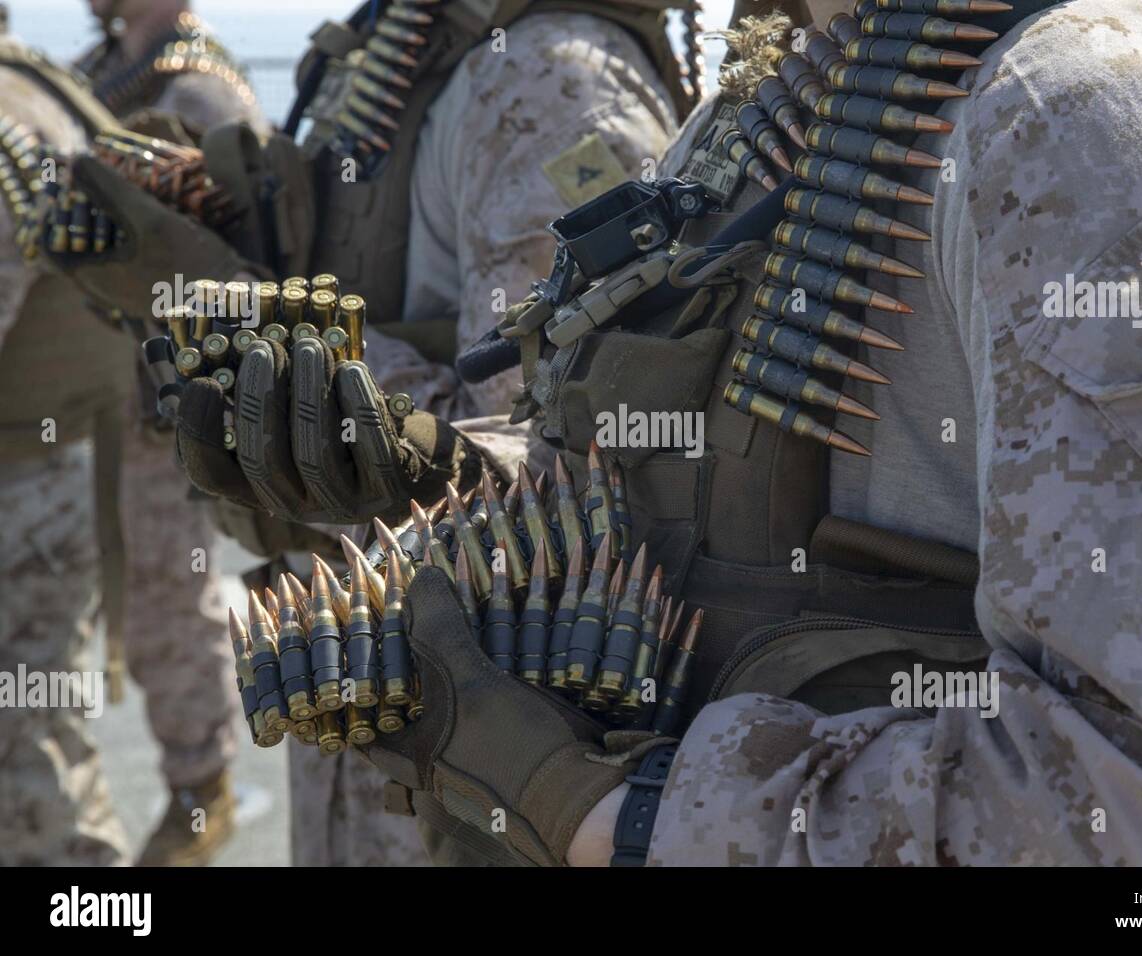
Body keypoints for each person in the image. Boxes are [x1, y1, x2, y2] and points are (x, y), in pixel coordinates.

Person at [336, 0, 1142, 866]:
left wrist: (622, 825)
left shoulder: (1082, 118)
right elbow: (666, 499)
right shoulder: (764, 103)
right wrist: (427, 463)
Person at [62, 0, 690, 865]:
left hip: (473, 750)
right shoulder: (387, 53)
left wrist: (225, 296)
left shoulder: (548, 80)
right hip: (360, 701)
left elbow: (555, 475)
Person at [74, 0, 267, 866]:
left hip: (165, 405)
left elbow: (257, 271)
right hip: (88, 396)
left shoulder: (202, 90)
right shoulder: (97, 75)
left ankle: (201, 790)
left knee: (167, 594)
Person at [0, 27, 134, 867]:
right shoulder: (34, 86)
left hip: (23, 493)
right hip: (47, 478)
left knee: (25, 768)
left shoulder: (12, 113)